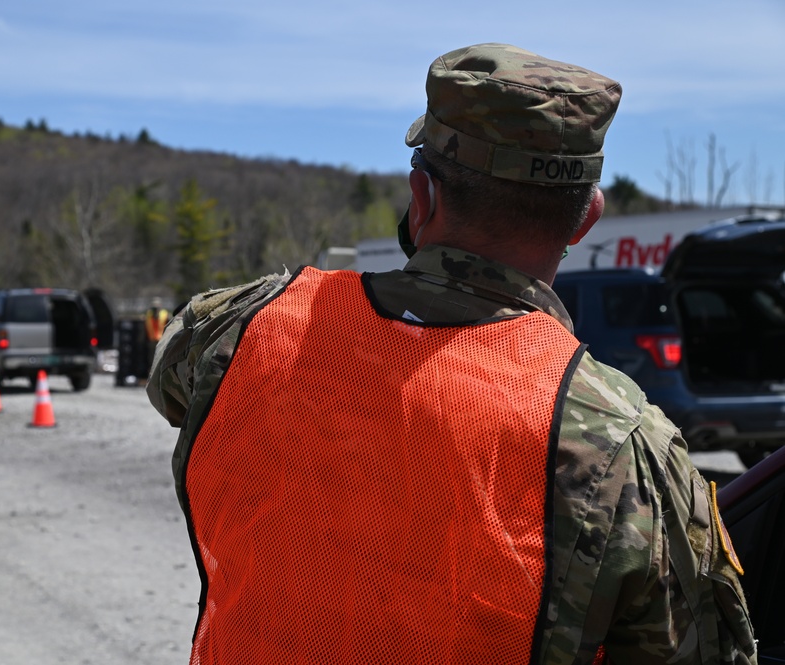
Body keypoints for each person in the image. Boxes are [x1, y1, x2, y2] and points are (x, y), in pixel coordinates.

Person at [147, 43, 757, 664]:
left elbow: (175, 385)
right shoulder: (620, 444)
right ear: (585, 220)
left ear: (423, 196)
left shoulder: (236, 329)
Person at [143, 297, 169, 372]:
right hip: (151, 341)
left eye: (157, 307)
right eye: (154, 307)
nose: (155, 309)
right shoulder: (148, 314)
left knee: (161, 358)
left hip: (162, 340)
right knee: (151, 359)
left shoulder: (165, 314)